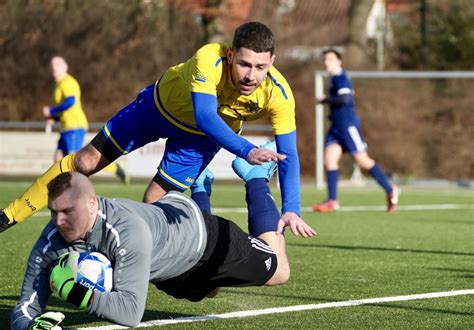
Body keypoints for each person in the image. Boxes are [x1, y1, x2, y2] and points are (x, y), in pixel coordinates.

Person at [0, 21, 313, 237]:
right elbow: (205, 115)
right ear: (230, 55)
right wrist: (246, 149)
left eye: (261, 67)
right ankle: (10, 215)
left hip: (198, 140)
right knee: (84, 163)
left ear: (272, 61)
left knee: (154, 204)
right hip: (155, 111)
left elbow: (288, 154)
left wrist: (292, 207)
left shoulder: (280, 95)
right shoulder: (209, 58)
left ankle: (130, 254)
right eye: (244, 64)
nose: (251, 76)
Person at [11, 159, 316, 330]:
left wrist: (74, 292)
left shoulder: (126, 232)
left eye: (67, 211)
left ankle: (255, 178)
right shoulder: (52, 237)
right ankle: (200, 187)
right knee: (208, 293)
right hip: (166, 268)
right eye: (52, 212)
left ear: (92, 203)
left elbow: (130, 313)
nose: (58, 221)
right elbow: (26, 303)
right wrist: (27, 329)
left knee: (279, 271)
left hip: (201, 240)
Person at [311, 49, 399, 213]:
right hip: (336, 128)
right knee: (329, 160)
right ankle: (332, 200)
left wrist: (325, 99)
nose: (326, 63)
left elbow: (344, 99)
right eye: (325, 59)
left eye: (330, 59)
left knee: (363, 161)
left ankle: (390, 189)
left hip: (347, 126)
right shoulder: (334, 80)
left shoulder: (341, 78)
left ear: (339, 61)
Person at [42, 56, 128, 181]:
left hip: (75, 127)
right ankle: (61, 189)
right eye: (52, 64)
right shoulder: (57, 85)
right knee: (59, 157)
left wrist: (51, 111)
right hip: (65, 127)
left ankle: (79, 188)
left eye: (58, 64)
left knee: (79, 162)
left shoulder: (68, 82)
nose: (54, 66)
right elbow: (66, 111)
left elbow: (71, 101)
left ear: (66, 67)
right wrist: (54, 118)